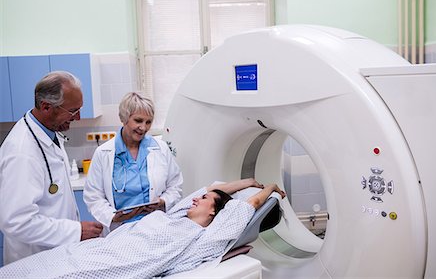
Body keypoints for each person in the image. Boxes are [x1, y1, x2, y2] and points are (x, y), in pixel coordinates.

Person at [0, 178, 286, 278]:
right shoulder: (177, 214)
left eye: (204, 199)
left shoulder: (205, 236)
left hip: (121, 263)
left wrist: (270, 188)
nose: (196, 197)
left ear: (214, 211)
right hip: (102, 248)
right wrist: (248, 180)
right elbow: (214, 188)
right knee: (38, 265)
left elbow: (246, 206)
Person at [0, 71, 103, 265]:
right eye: (73, 111)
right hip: (34, 262)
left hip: (57, 255)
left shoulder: (49, 135)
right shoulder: (22, 152)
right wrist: (76, 231)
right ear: (46, 107)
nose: (78, 118)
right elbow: (16, 221)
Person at [83, 92, 183, 234]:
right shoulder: (104, 153)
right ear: (124, 118)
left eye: (148, 122)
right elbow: (93, 196)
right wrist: (112, 217)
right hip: (120, 230)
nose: (143, 127)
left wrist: (163, 201)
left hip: (155, 227)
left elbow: (175, 186)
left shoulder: (160, 148)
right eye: (138, 120)